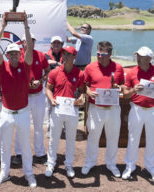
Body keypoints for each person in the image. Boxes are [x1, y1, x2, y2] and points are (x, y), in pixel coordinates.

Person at [0, 17, 37, 188]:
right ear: (8, 55)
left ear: (20, 54)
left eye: (17, 52)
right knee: (4, 146)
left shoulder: (26, 66)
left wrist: (26, 26)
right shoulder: (2, 67)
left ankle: (29, 174)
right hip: (6, 113)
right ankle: (4, 173)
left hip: (23, 113)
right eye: (11, 53)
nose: (14, 55)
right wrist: (2, 27)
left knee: (25, 146)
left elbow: (30, 47)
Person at [121, 46, 154, 182]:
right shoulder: (131, 73)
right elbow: (125, 95)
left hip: (153, 109)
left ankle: (150, 167)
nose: (138, 58)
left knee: (152, 140)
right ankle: (129, 166)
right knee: (132, 139)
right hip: (136, 109)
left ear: (149, 59)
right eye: (137, 55)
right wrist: (133, 90)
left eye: (141, 56)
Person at [81, 41, 125, 178]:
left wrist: (120, 88)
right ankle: (89, 162)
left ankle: (111, 164)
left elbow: (123, 85)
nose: (99, 56)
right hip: (95, 108)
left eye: (103, 54)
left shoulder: (118, 67)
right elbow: (84, 85)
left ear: (110, 54)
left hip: (113, 108)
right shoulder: (90, 67)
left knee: (113, 137)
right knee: (93, 136)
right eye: (98, 53)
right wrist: (88, 92)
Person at [45, 46, 86, 178]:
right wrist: (51, 99)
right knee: (53, 139)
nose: (65, 56)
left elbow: (82, 91)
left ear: (74, 57)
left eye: (69, 54)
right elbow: (48, 89)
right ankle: (51, 164)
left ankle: (69, 165)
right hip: (57, 110)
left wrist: (81, 98)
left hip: (72, 111)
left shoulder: (79, 74)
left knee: (70, 139)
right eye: (64, 53)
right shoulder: (54, 72)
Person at [13, 33, 49, 165]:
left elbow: (47, 70)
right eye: (27, 41)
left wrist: (41, 81)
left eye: (32, 40)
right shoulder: (17, 55)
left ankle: (40, 154)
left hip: (38, 95)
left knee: (38, 126)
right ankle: (19, 153)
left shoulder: (40, 55)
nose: (29, 42)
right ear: (23, 43)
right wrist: (24, 84)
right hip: (23, 96)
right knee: (21, 125)